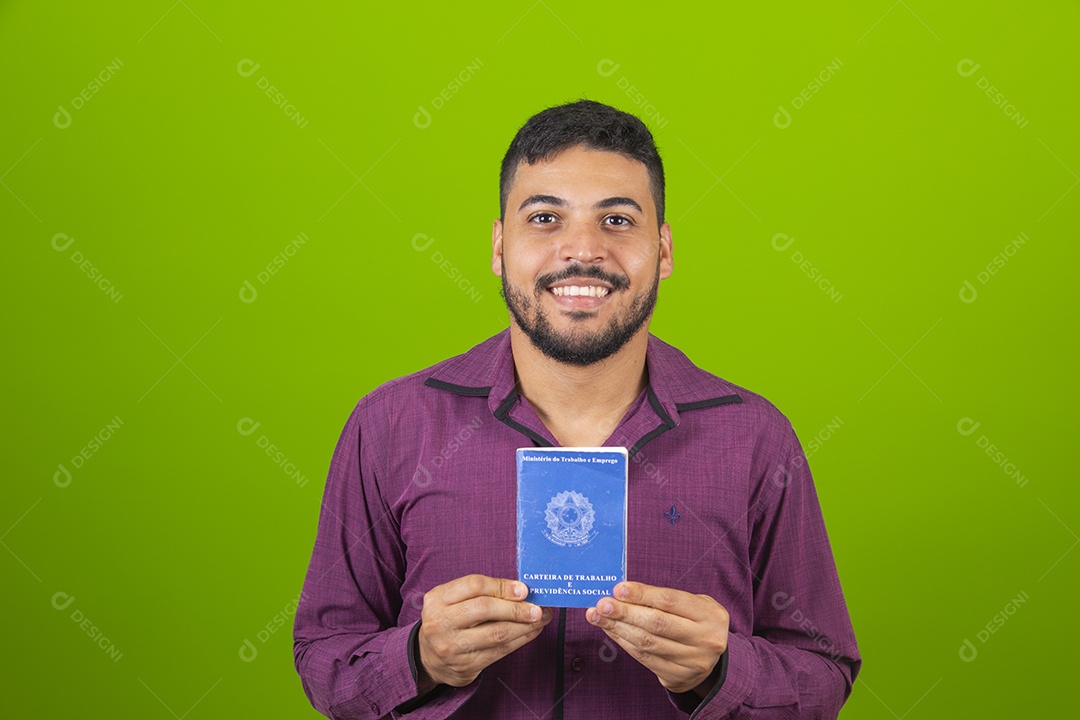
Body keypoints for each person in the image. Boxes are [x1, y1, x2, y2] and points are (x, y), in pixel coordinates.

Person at [293, 99, 861, 719]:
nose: (582, 250)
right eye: (544, 217)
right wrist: (419, 657)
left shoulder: (755, 438)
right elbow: (326, 659)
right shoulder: (390, 426)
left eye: (617, 220)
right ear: (498, 244)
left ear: (664, 250)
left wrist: (723, 669)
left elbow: (823, 677)